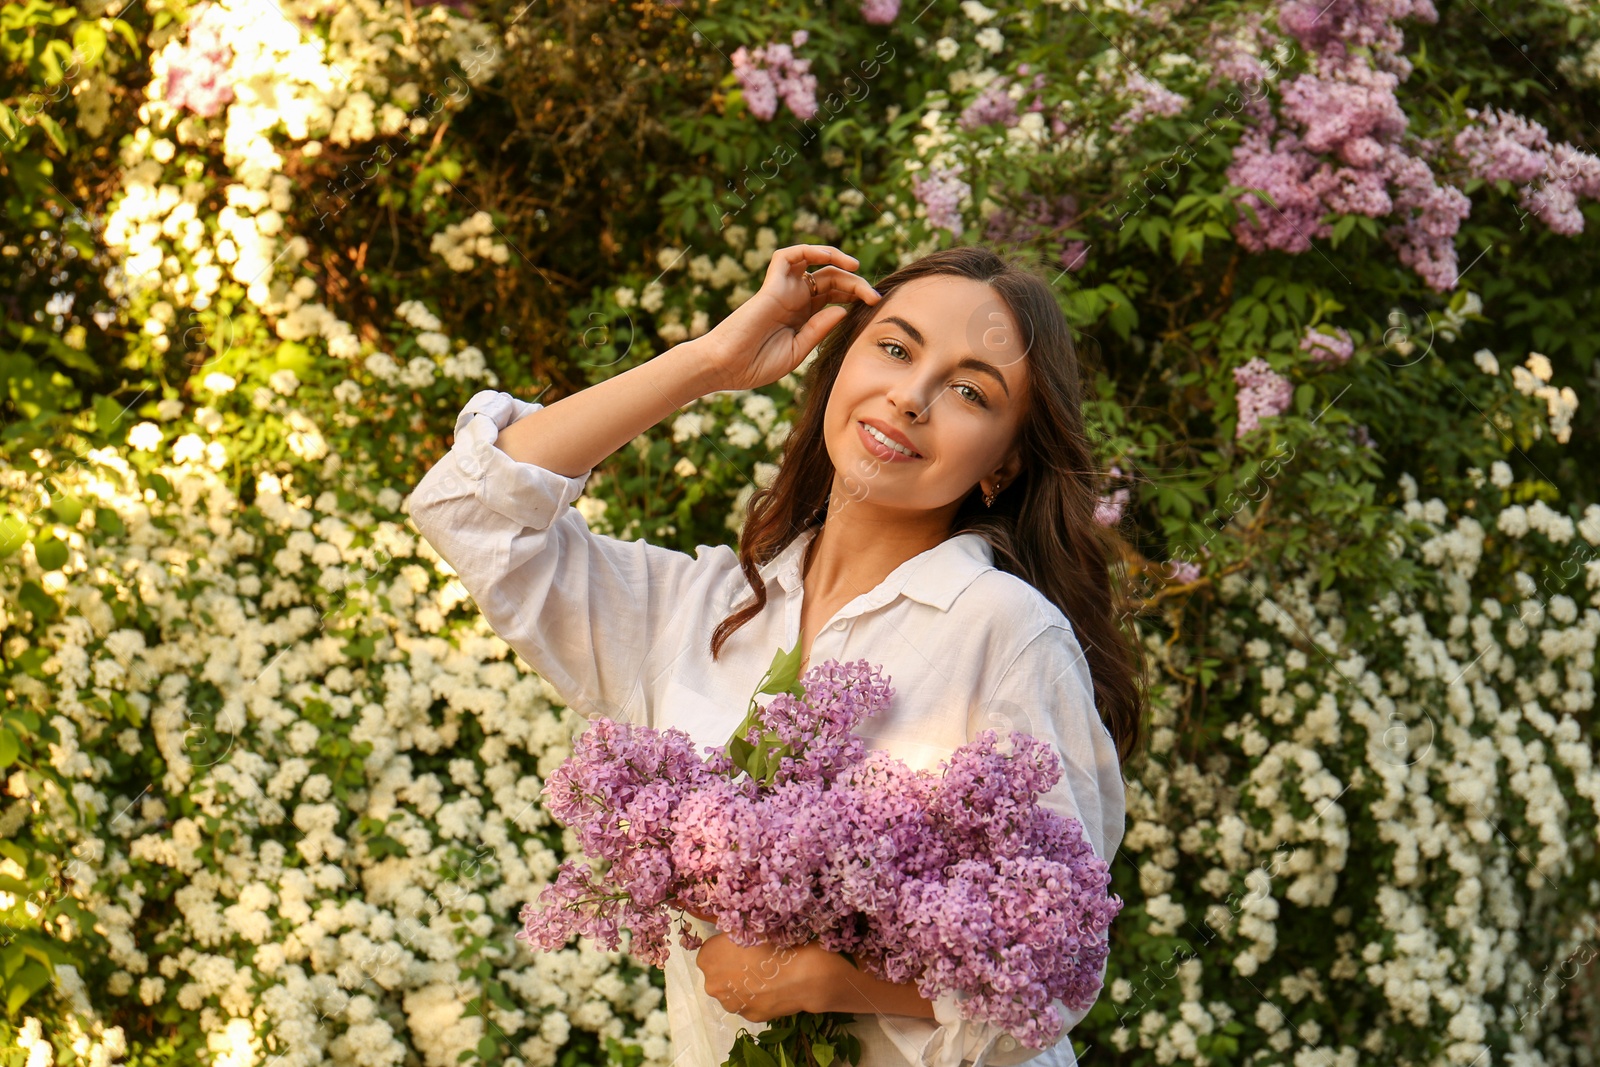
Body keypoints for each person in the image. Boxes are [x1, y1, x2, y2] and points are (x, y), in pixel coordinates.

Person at [408, 242, 1146, 1067]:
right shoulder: (698, 613)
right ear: (840, 368)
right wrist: (708, 361)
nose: (911, 396)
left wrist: (830, 980)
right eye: (895, 348)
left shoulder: (1005, 632)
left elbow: (1056, 967)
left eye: (970, 390)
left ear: (1004, 462)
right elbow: (468, 507)